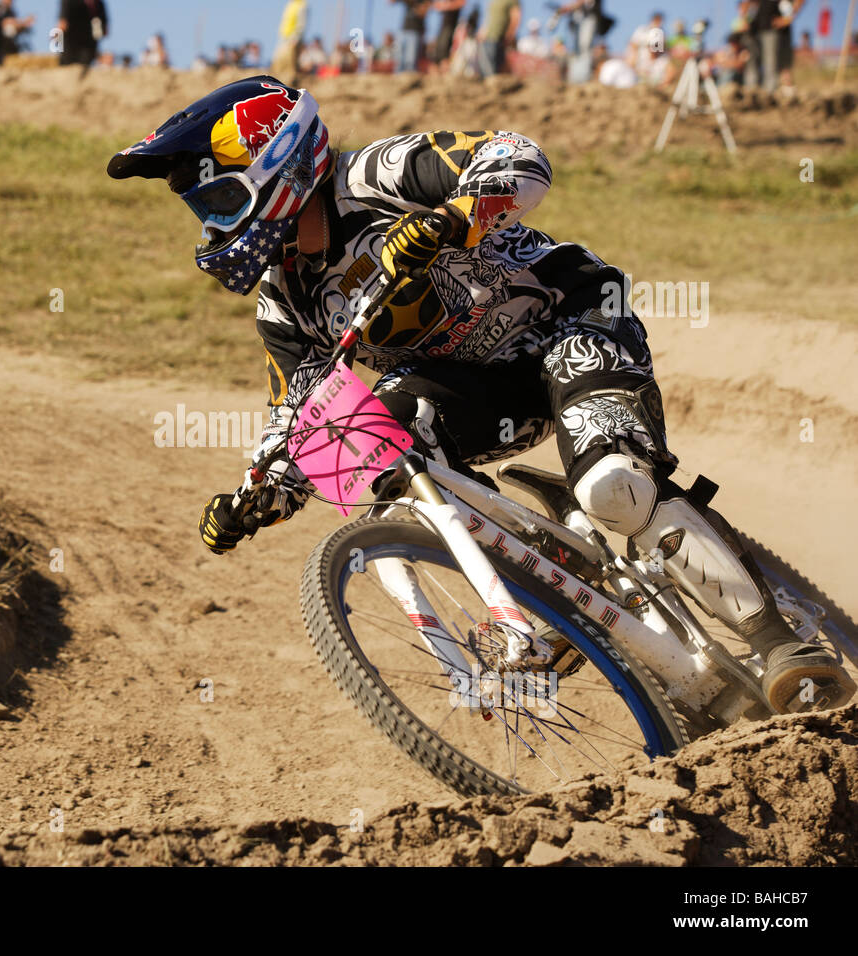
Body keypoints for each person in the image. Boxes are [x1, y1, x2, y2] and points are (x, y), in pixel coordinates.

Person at [106, 75, 856, 715]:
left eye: (218, 199)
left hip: (567, 318)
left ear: (275, 162)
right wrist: (261, 491)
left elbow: (518, 158)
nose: (212, 224)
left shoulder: (376, 175)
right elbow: (303, 415)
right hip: (474, 384)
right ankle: (550, 584)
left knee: (614, 490)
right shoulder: (283, 303)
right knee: (372, 457)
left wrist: (447, 220)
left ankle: (781, 645)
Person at [58, 0, 106, 67]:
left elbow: (62, 25)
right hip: (73, 47)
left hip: (84, 47)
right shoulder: (99, 4)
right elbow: (62, 24)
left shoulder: (99, 4)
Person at [478, 0, 521, 76]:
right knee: (484, 68)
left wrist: (510, 35)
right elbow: (489, 18)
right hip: (487, 37)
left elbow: (516, 17)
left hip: (499, 38)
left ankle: (493, 84)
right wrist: (482, 31)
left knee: (496, 69)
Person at [391, 0, 428, 72]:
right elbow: (391, 2)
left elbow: (424, 12)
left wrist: (416, 6)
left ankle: (409, 80)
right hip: (403, 31)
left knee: (410, 61)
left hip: (415, 32)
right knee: (398, 60)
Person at [431, 0, 465, 69]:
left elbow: (461, 3)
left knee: (445, 49)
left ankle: (445, 70)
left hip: (450, 26)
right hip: (442, 27)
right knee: (438, 50)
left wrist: (446, 6)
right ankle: (439, 71)